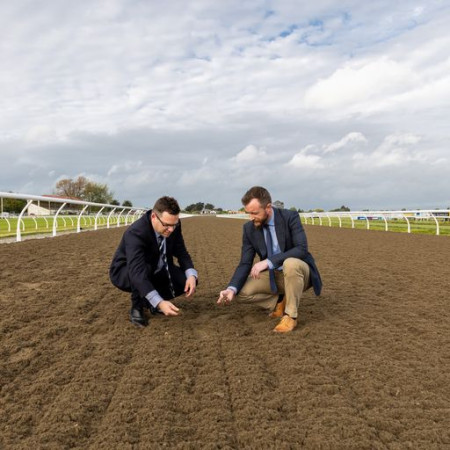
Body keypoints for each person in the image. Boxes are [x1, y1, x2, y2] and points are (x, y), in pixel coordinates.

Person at [217, 186, 322, 333]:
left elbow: (301, 249)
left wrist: (268, 262)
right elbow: (245, 262)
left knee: (289, 263)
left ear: (268, 207)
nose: (251, 217)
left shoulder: (290, 217)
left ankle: (290, 316)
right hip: (275, 276)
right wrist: (231, 288)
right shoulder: (249, 228)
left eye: (254, 213)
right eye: (248, 213)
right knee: (240, 292)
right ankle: (279, 302)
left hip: (300, 274)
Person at [110, 196, 197, 327]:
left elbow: (181, 252)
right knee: (145, 269)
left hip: (157, 266)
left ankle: (152, 302)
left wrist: (191, 275)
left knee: (188, 279)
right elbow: (137, 272)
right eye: (167, 225)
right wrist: (160, 302)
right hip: (127, 271)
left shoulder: (173, 225)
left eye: (174, 224)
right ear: (154, 217)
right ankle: (137, 307)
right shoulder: (136, 233)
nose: (171, 230)